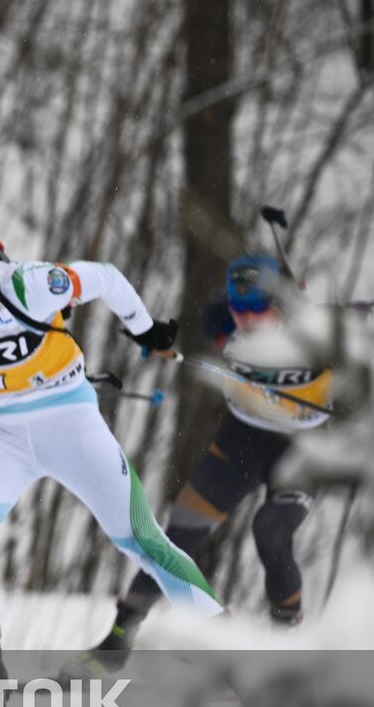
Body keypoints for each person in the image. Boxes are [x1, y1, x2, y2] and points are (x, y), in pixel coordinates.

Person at [0, 215, 224, 707]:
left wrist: (147, 329)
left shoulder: (26, 285)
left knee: (141, 539)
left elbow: (106, 277)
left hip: (67, 419)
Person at [78, 254, 329, 670]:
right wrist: (151, 336)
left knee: (271, 531)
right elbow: (168, 336)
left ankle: (285, 644)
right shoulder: (220, 318)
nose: (246, 318)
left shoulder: (317, 332)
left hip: (302, 448)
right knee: (179, 535)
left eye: (257, 308)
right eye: (239, 308)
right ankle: (120, 637)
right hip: (243, 439)